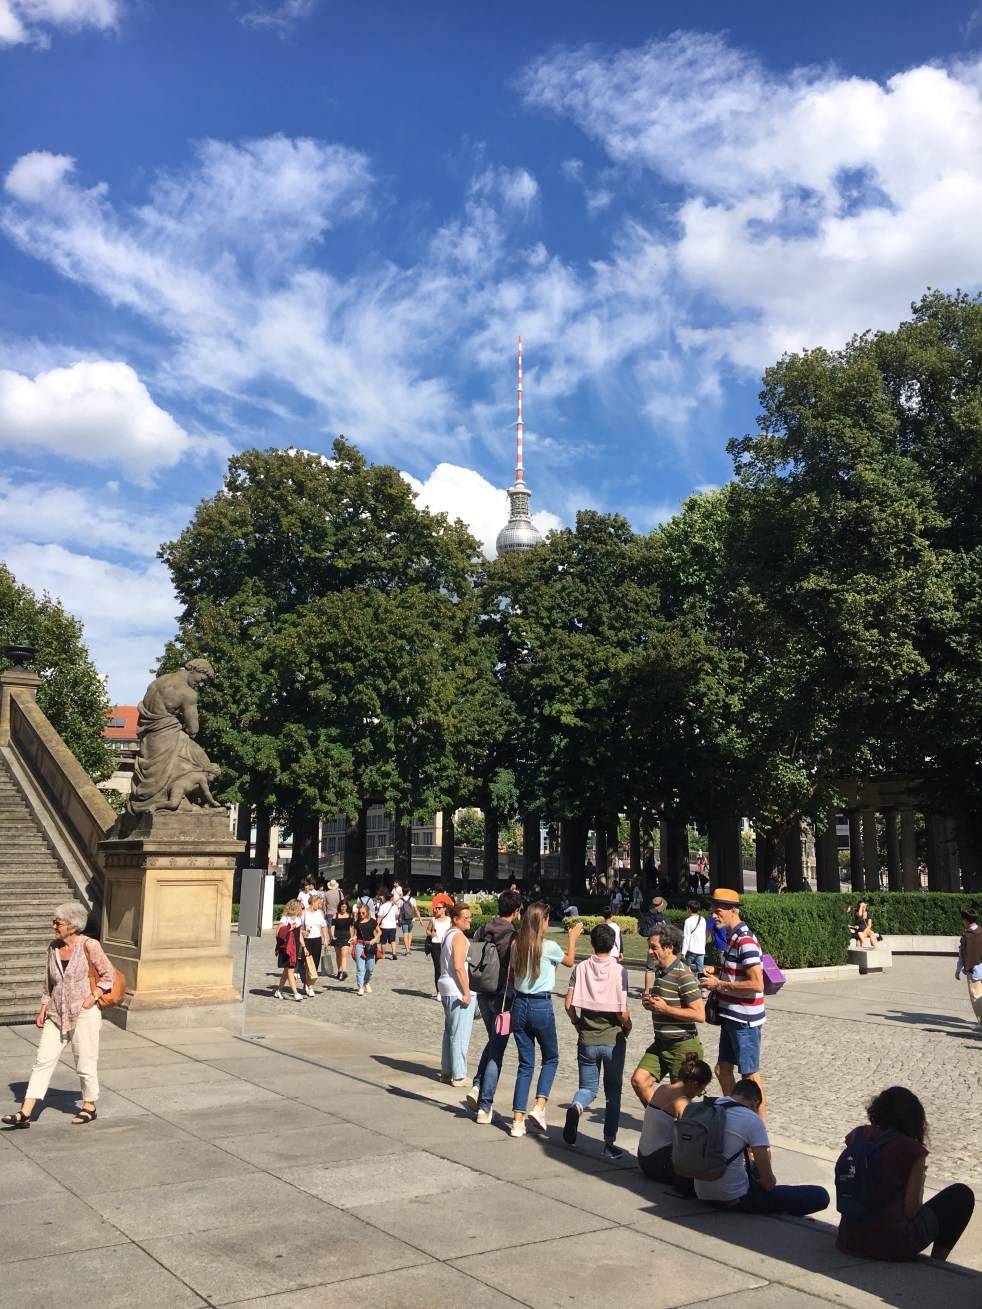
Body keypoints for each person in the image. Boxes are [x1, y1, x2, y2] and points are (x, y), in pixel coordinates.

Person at [2, 902, 115, 1128]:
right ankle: (25, 1112)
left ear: (73, 926)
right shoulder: (53, 948)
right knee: (42, 1062)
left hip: (83, 1014)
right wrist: (43, 1007)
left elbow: (108, 974)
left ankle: (89, 1105)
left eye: (58, 923)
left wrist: (93, 997)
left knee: (84, 1063)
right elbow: (49, 982)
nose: (54, 926)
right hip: (55, 1014)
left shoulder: (89, 945)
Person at [836, 1087, 975, 1261]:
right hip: (892, 1245)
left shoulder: (857, 1136)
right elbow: (911, 1210)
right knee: (961, 1195)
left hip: (848, 1239)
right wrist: (921, 1179)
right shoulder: (912, 1150)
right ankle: (938, 1261)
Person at [694, 1079, 829, 1215]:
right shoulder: (752, 1119)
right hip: (736, 1199)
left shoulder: (709, 1106)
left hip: (703, 1194)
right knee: (820, 1195)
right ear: (755, 1102)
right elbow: (768, 1183)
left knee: (750, 1168)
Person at [509, 904, 583, 1138]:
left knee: (525, 1064)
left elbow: (513, 975)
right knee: (551, 1057)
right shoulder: (548, 946)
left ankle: (517, 1121)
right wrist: (572, 938)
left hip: (519, 1004)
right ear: (542, 921)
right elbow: (569, 961)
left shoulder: (517, 945)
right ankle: (539, 1106)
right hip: (540, 1004)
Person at [563, 923, 631, 1159]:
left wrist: (576, 1022)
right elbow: (622, 1012)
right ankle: (609, 1142)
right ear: (613, 945)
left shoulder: (580, 968)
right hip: (613, 1039)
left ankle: (576, 1107)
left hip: (587, 1038)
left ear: (591, 944)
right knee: (613, 1093)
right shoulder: (620, 971)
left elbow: (568, 1004)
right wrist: (628, 1026)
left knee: (587, 1088)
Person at [700, 888, 767, 1119]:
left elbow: (757, 983)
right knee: (722, 1070)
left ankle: (759, 1131)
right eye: (713, 911)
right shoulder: (732, 937)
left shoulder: (745, 940)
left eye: (718, 912)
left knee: (750, 1078)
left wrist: (719, 984)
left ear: (733, 911)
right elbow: (738, 972)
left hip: (744, 1020)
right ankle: (737, 1119)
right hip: (731, 1017)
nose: (714, 916)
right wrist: (718, 970)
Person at [127, 660, 220, 815]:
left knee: (157, 772)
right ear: (193, 670)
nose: (201, 685)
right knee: (202, 763)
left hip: (149, 737)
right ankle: (195, 804)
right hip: (168, 736)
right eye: (202, 679)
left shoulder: (158, 682)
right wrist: (184, 727)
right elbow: (193, 728)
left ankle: (160, 801)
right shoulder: (188, 693)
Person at [631, 922, 705, 1104]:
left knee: (680, 1100)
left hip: (683, 1047)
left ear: (669, 947)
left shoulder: (684, 975)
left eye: (653, 947)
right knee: (640, 1081)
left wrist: (666, 1009)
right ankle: (660, 1117)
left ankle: (674, 1120)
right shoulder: (660, 971)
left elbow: (699, 1015)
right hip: (661, 1043)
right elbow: (665, 1002)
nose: (649, 951)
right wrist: (651, 1005)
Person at [466, 890, 522, 1123]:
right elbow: (515, 968)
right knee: (497, 1049)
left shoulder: (482, 930)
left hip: (482, 991)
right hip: (502, 996)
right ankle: (485, 1106)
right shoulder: (512, 936)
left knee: (493, 1041)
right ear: (516, 911)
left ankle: (477, 1086)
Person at [636, 1051, 713, 1192]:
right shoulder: (682, 1103)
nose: (699, 1095)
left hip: (642, 1158)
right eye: (702, 1090)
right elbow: (691, 1140)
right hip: (658, 1164)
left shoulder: (663, 1088)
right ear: (694, 1084)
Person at [438, 902, 476, 1086]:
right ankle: (459, 1075)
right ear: (456, 919)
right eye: (466, 918)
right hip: (457, 989)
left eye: (470, 917)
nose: (469, 920)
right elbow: (459, 967)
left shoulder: (448, 934)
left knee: (450, 1032)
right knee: (460, 1033)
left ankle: (447, 1071)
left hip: (446, 987)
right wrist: (467, 992)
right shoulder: (459, 937)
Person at [274, 898, 306, 1001]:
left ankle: (279, 990)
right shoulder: (285, 919)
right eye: (300, 908)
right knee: (290, 970)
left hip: (294, 948)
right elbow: (278, 933)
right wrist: (290, 928)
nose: (302, 910)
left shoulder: (298, 919)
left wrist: (304, 946)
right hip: (286, 948)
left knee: (287, 970)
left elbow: (299, 934)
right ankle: (296, 993)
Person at [955, 907, 982, 1026]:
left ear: (965, 921)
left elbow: (962, 956)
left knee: (976, 997)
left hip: (974, 971)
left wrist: (958, 970)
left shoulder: (966, 937)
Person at [300, 894, 328, 995]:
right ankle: (308, 985)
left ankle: (309, 984)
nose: (319, 905)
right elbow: (297, 926)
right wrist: (302, 932)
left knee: (315, 963)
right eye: (318, 903)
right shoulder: (303, 913)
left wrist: (325, 938)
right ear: (312, 903)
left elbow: (323, 926)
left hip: (317, 939)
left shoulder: (320, 913)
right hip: (307, 940)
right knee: (307, 962)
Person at [351, 902, 380, 996]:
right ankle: (360, 987)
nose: (361, 915)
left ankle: (366, 982)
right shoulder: (357, 923)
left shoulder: (372, 921)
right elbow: (355, 935)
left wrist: (374, 939)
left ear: (367, 912)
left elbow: (379, 932)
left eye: (363, 913)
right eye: (359, 913)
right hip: (360, 945)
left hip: (370, 946)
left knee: (370, 968)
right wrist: (353, 938)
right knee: (360, 968)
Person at [426, 898, 452, 997]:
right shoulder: (433, 920)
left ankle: (447, 989)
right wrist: (430, 934)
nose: (437, 910)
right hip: (436, 945)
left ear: (444, 909)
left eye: (439, 908)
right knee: (438, 968)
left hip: (446, 944)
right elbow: (427, 930)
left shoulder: (449, 920)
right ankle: (439, 991)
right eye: (436, 908)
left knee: (448, 967)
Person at [681, 899, 707, 975]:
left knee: (686, 969)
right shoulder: (702, 919)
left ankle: (688, 981)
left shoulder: (688, 921)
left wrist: (683, 952)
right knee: (700, 970)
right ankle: (702, 982)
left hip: (691, 949)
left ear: (689, 909)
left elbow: (686, 937)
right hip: (701, 949)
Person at [330, 898, 352, 980]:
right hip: (337, 935)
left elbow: (351, 927)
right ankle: (339, 971)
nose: (343, 908)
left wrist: (352, 937)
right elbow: (332, 926)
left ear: (347, 907)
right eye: (342, 906)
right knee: (338, 954)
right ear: (339, 906)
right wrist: (332, 935)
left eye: (345, 906)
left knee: (344, 954)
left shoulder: (350, 916)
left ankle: (344, 971)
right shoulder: (335, 915)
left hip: (346, 935)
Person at [377, 890, 401, 961]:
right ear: (391, 898)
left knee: (383, 942)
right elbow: (397, 916)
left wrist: (376, 925)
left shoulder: (382, 906)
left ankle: (383, 954)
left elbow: (379, 917)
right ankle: (394, 953)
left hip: (384, 926)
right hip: (392, 926)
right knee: (393, 940)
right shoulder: (394, 906)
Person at [398, 888, 423, 955]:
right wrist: (420, 919)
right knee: (410, 932)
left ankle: (407, 950)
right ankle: (409, 946)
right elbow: (416, 910)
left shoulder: (400, 900)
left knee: (405, 934)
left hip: (403, 920)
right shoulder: (412, 899)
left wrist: (398, 920)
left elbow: (398, 912)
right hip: (411, 919)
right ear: (408, 892)